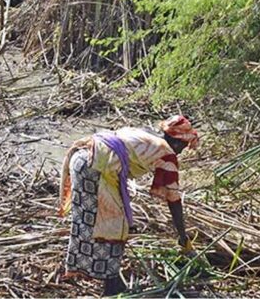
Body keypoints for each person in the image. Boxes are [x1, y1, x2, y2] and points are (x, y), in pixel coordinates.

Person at [58, 116, 199, 296]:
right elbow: (174, 199)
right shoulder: (167, 152)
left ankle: (92, 271)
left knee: (87, 219)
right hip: (95, 167)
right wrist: (182, 237)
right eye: (183, 145)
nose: (181, 151)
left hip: (81, 159)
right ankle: (111, 287)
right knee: (115, 226)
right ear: (177, 141)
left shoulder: (147, 135)